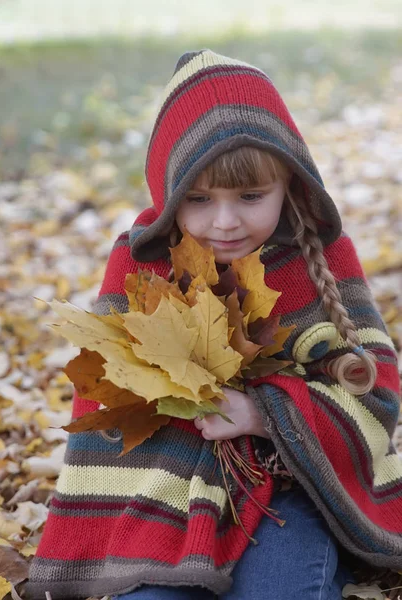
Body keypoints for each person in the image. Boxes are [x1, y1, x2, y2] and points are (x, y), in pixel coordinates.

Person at [24, 49, 402, 600]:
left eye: (251, 196)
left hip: (290, 492)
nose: (225, 222)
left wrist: (264, 413)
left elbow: (377, 392)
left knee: (284, 590)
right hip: (166, 497)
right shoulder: (142, 263)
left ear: (290, 184)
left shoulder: (316, 255)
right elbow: (107, 402)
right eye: (198, 199)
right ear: (169, 194)